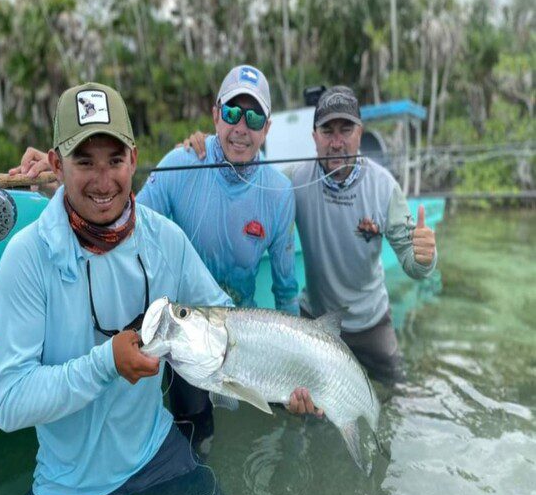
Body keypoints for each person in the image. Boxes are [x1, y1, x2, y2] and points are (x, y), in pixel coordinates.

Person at [6, 65, 304, 445]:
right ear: (215, 115)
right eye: (231, 113)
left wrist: (295, 359)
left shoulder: (279, 191)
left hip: (240, 330)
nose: (241, 127)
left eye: (254, 116)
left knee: (277, 415)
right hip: (182, 330)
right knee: (196, 429)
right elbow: (117, 221)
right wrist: (60, 182)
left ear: (267, 127)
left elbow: (287, 288)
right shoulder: (180, 162)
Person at [0, 82, 232, 495]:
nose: (103, 181)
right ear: (56, 164)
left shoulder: (166, 239)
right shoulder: (26, 258)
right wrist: (106, 364)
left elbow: (226, 321)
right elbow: (9, 402)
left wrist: (291, 377)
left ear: (134, 160)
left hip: (157, 453)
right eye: (85, 162)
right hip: (69, 484)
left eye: (115, 160)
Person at [179, 85, 437, 388]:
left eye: (346, 130)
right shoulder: (295, 179)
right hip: (315, 323)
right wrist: (208, 149)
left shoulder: (385, 186)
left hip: (371, 323)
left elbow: (412, 264)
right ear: (314, 136)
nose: (337, 142)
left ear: (360, 133)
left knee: (399, 392)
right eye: (327, 131)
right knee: (297, 406)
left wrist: (424, 258)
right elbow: (248, 175)